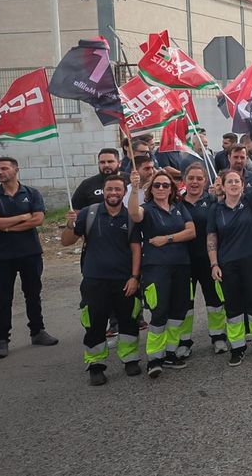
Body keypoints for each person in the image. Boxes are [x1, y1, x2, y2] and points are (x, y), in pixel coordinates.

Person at [60, 172, 142, 385]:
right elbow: (66, 242)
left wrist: (135, 277)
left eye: (117, 189)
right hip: (94, 280)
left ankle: (130, 359)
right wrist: (69, 225)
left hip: (124, 280)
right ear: (103, 192)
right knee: (94, 323)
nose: (113, 193)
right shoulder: (89, 213)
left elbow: (136, 250)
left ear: (124, 193)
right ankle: (95, 364)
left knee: (129, 321)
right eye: (109, 189)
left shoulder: (130, 217)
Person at [0, 156, 57, 358]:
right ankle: (2, 339)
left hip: (29, 252)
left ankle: (37, 331)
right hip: (2, 256)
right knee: (3, 298)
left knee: (33, 294)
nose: (0, 172)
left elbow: (38, 219)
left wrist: (6, 226)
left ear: (16, 170)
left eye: (4, 168)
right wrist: (23, 217)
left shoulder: (31, 193)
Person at [130, 164, 195, 377]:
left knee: (179, 311)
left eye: (165, 185)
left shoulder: (178, 206)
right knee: (159, 312)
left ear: (171, 188)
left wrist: (167, 239)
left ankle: (170, 352)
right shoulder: (146, 208)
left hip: (181, 267)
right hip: (156, 269)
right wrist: (133, 188)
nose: (161, 188)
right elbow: (134, 214)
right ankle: (154, 358)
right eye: (157, 185)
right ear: (151, 189)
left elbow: (191, 232)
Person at [207, 162, 252, 365]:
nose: (234, 184)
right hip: (228, 265)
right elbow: (211, 238)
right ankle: (237, 347)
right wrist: (214, 264)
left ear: (243, 185)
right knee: (233, 308)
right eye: (230, 181)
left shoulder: (251, 201)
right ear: (224, 186)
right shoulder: (215, 209)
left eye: (237, 181)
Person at [174, 162, 226, 357]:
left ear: (205, 181)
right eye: (191, 178)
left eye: (199, 178)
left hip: (209, 261)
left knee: (214, 300)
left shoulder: (213, 201)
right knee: (185, 304)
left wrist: (220, 194)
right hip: (183, 263)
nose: (195, 182)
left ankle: (218, 337)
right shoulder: (176, 203)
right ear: (185, 180)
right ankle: (184, 341)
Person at [69, 148, 122, 216]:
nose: (106, 165)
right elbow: (76, 211)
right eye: (102, 162)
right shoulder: (87, 184)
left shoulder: (130, 181)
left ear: (119, 163)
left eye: (110, 161)